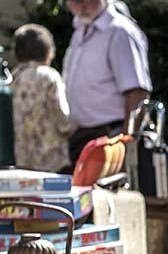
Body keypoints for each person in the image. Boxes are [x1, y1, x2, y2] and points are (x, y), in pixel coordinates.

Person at [62, 0, 152, 165]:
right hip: (84, 136)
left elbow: (137, 92)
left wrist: (126, 145)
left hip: (111, 135)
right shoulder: (80, 29)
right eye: (74, 1)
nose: (81, 5)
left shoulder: (119, 31)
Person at [11, 24, 73, 173]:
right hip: (51, 162)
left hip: (21, 161)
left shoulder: (12, 78)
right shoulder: (49, 76)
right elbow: (63, 120)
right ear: (48, 51)